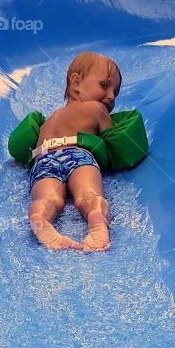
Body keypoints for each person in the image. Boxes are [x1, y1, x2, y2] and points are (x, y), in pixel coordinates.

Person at [27, 52, 122, 252]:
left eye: (116, 92)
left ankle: (40, 218)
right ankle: (96, 218)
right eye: (104, 86)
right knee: (87, 194)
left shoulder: (51, 119)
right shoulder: (96, 109)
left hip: (44, 159)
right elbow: (115, 140)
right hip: (78, 156)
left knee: (48, 199)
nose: (111, 96)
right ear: (76, 82)